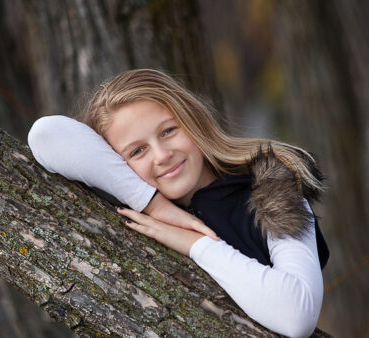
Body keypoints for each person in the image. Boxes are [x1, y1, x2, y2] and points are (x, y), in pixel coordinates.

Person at [28, 69, 329, 337]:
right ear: (116, 164)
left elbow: (297, 316)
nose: (161, 155)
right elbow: (45, 134)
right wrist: (155, 206)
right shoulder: (128, 207)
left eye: (169, 131)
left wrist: (195, 244)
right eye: (137, 151)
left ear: (193, 122)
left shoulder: (271, 190)